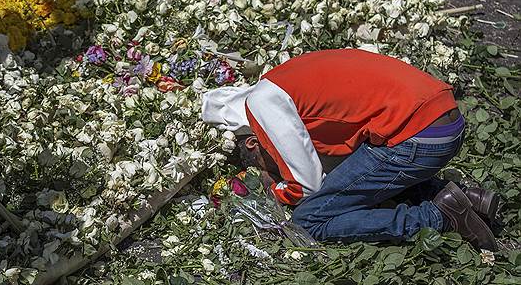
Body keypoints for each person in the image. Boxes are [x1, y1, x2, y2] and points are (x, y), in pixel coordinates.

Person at [202, 49, 498, 251]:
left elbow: (306, 186)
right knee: (357, 176)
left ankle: (442, 217)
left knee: (310, 219)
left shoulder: (262, 105)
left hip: (419, 137)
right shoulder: (281, 81)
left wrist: (274, 187)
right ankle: (465, 197)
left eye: (263, 163)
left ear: (254, 143)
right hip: (445, 119)